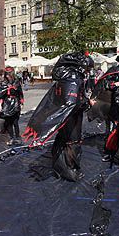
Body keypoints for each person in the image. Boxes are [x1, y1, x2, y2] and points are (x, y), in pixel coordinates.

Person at [22, 52, 92, 181]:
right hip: (71, 117)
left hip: (66, 116)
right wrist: (86, 103)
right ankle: (69, 170)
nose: (89, 71)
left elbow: (69, 99)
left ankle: (61, 166)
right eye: (88, 68)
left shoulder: (67, 77)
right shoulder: (73, 78)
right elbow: (72, 102)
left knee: (63, 139)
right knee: (72, 141)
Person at [0, 67, 24, 146]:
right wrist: (0, 105)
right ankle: (11, 137)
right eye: (7, 75)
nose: (8, 76)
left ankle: (18, 138)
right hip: (6, 103)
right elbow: (1, 95)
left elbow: (20, 93)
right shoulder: (3, 83)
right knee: (8, 122)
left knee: (15, 122)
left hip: (15, 102)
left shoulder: (16, 82)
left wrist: (22, 103)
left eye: (9, 75)